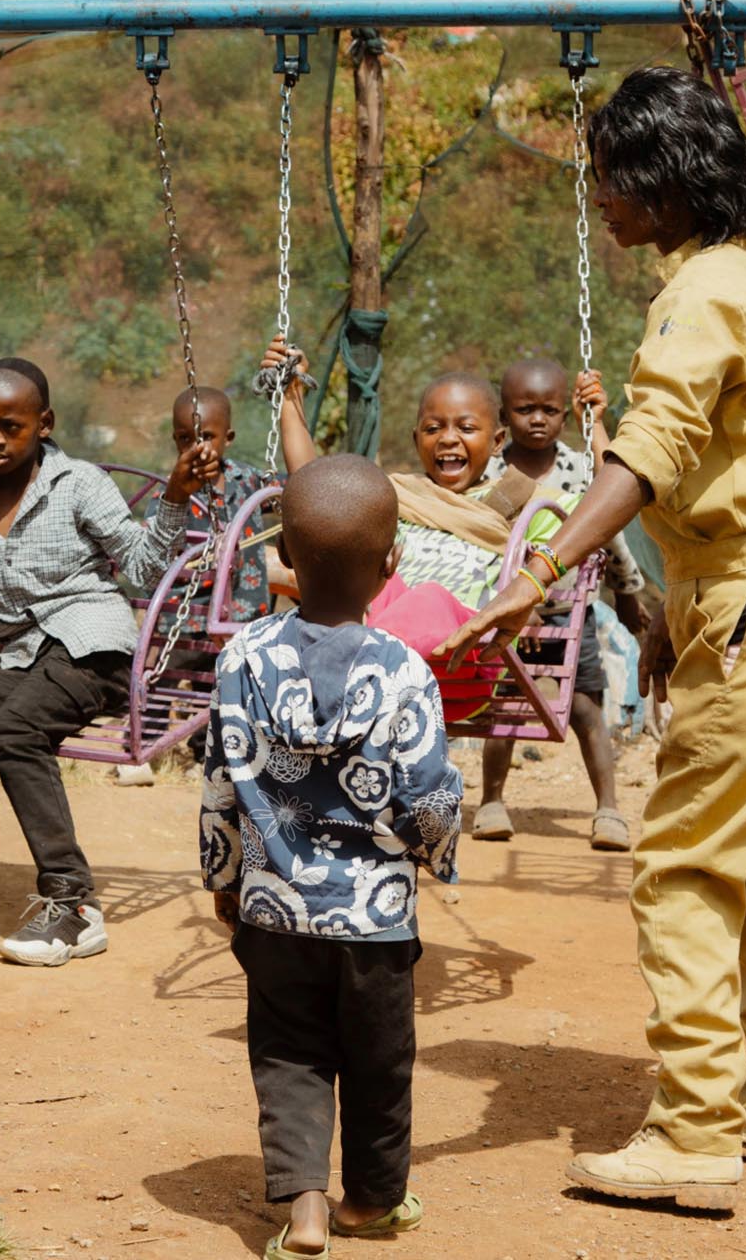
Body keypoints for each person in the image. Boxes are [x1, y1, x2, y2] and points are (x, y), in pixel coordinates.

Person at [443, 66, 746, 1209]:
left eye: (606, 175)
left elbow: (647, 452)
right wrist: (672, 617)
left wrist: (538, 570)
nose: (595, 195)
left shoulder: (698, 294)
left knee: (687, 859)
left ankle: (696, 1129)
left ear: (662, 179)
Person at [200, 455, 462, 1258]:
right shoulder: (405, 672)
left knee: (288, 1055)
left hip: (275, 910)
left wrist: (225, 877)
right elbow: (428, 797)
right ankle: (370, 1201)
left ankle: (305, 1210)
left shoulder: (241, 658)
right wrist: (434, 855)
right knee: (379, 1065)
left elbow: (220, 784)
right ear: (392, 565)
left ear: (286, 560)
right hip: (376, 923)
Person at [0, 357, 218, 967]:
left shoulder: (79, 483)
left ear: (44, 423)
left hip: (93, 647)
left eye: (10, 425)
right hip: (21, 654)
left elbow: (141, 568)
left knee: (15, 730)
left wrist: (172, 498)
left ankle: (73, 903)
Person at [260, 342, 563, 718]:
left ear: (498, 440)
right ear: (416, 438)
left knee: (428, 598)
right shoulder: (399, 496)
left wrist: (529, 597)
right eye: (434, 428)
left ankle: (347, 655)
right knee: (354, 572)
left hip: (460, 667)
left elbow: (580, 534)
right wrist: (291, 396)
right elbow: (315, 490)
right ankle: (339, 638)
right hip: (382, 646)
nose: (449, 438)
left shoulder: (521, 500)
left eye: (466, 428)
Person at [476, 357, 647, 851]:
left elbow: (612, 505)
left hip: (569, 611)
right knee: (502, 710)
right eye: (524, 409)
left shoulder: (576, 465)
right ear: (505, 416)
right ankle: (491, 801)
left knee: (587, 709)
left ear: (564, 417)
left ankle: (608, 809)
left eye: (549, 410)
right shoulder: (490, 469)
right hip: (509, 614)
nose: (537, 419)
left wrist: (628, 590)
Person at [149, 385, 275, 629]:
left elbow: (297, 488)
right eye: (186, 438)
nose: (198, 448)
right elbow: (153, 556)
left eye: (206, 436)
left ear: (228, 438)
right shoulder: (170, 496)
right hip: (186, 626)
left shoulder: (247, 480)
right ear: (175, 439)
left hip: (247, 625)